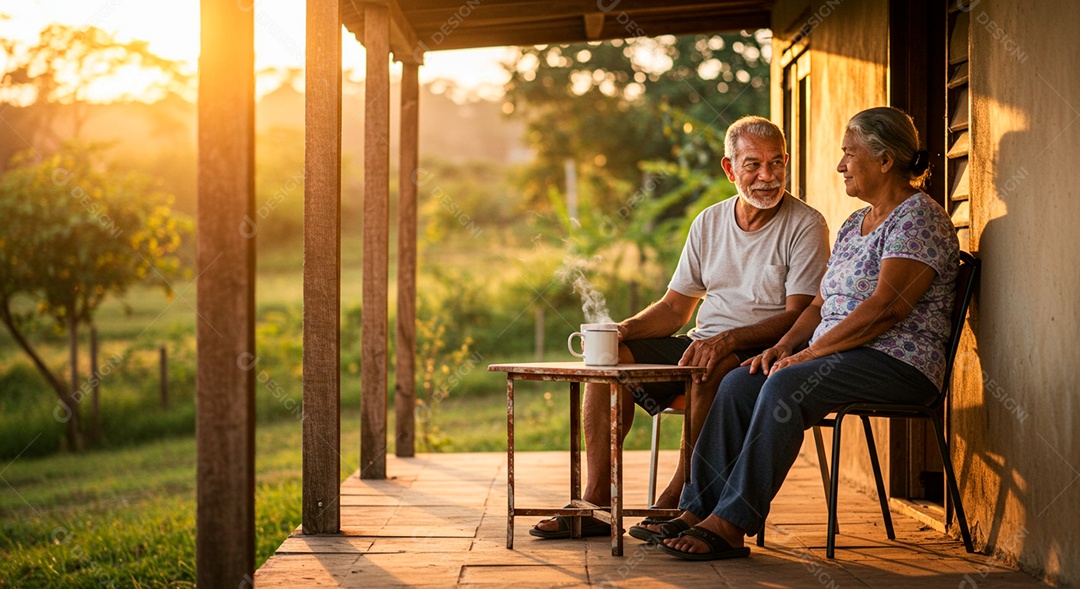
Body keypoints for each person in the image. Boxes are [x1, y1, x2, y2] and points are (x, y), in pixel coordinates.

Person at [634, 106, 960, 561]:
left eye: (850, 154)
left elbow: (885, 310)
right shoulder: (855, 224)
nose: (841, 164)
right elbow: (819, 305)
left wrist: (807, 357)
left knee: (785, 385)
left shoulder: (918, 219)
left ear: (885, 160)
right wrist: (784, 346)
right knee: (739, 381)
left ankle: (730, 524)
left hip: (896, 363)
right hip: (839, 356)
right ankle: (696, 507)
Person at [531, 115, 831, 539]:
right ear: (729, 169)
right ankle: (595, 502)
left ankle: (678, 499)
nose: (767, 176)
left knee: (710, 362)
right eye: (753, 165)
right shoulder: (708, 222)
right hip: (702, 343)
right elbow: (675, 308)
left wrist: (727, 339)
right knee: (607, 361)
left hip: (759, 352)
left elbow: (800, 315)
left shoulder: (806, 224)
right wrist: (622, 330)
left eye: (776, 163)